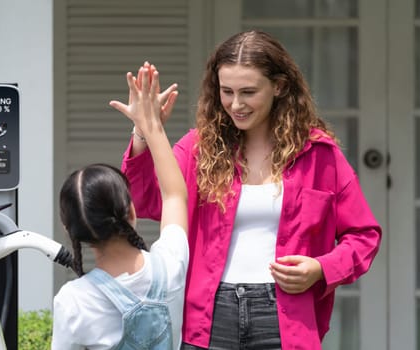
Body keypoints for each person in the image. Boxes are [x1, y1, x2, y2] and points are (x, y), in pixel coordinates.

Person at [121, 31, 382, 349]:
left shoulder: (319, 155)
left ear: (279, 86)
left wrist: (320, 269)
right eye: (226, 91)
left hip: (285, 316)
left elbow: (364, 236)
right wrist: (143, 132)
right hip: (207, 313)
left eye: (248, 92)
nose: (236, 104)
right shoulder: (198, 149)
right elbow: (145, 200)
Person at [52, 66, 188, 349]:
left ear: (70, 229)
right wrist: (150, 127)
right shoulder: (171, 265)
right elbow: (174, 195)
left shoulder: (74, 301)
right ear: (131, 211)